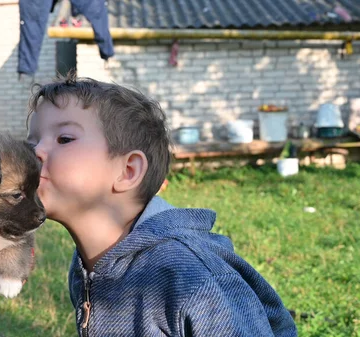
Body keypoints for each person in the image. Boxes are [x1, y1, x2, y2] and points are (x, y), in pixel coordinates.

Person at [24, 72, 297, 336]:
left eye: (65, 139)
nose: (34, 152)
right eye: (32, 142)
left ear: (128, 171)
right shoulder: (88, 263)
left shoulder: (190, 274)